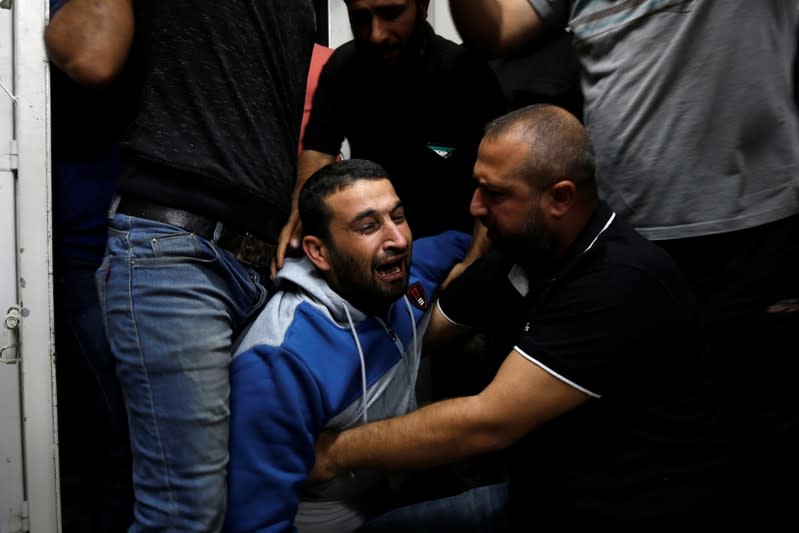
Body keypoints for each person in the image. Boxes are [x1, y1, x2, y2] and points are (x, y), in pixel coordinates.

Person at [446, 1, 799, 528]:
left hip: (742, 235)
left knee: (754, 458)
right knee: (608, 456)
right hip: (612, 240)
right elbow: (493, 31)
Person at [312, 105, 731, 532]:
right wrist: (320, 352)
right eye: (476, 187)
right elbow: (424, 334)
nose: (475, 207)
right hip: (542, 493)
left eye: (494, 193)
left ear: (560, 198)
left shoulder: (619, 282)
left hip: (625, 510)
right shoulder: (526, 248)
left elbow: (487, 422)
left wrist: (333, 453)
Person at [95, 2, 315, 531]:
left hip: (263, 265)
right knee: (184, 515)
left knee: (249, 500)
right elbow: (90, 55)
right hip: (175, 247)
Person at [224, 159, 473, 533]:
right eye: (368, 226)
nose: (399, 239)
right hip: (326, 517)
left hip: (388, 490)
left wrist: (471, 261)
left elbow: (458, 243)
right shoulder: (281, 361)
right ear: (318, 252)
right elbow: (256, 522)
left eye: (398, 216)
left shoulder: (401, 275)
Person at [275, 0, 506, 274]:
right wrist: (300, 216)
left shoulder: (466, 73)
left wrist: (472, 265)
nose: (376, 34)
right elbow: (318, 149)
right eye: (360, 18)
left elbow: (499, 182)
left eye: (390, 14)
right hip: (374, 237)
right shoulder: (343, 68)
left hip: (451, 240)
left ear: (422, 5)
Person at [44, 0, 135, 530]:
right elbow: (95, 58)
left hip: (147, 242)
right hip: (84, 249)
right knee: (117, 445)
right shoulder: (63, 11)